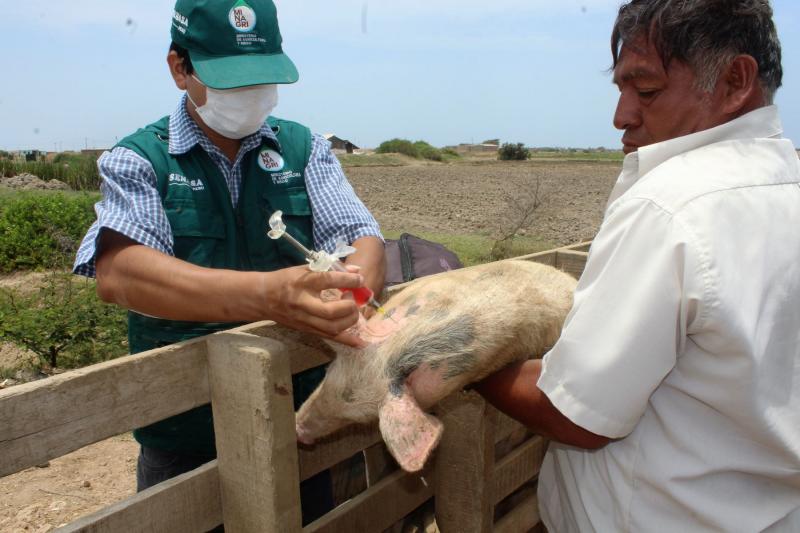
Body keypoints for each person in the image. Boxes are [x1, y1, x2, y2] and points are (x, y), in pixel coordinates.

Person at [477, 1, 800, 531]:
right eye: (621, 90)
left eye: (645, 90)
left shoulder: (669, 206)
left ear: (735, 81)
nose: (621, 115)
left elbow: (577, 416)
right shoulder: (785, 182)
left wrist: (471, 363)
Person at [73, 0, 384, 523]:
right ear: (180, 68)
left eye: (261, 79)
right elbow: (119, 271)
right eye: (230, 79)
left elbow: (360, 235)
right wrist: (268, 296)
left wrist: (357, 294)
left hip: (299, 421)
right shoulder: (141, 159)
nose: (249, 96)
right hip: (186, 433)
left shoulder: (303, 149)